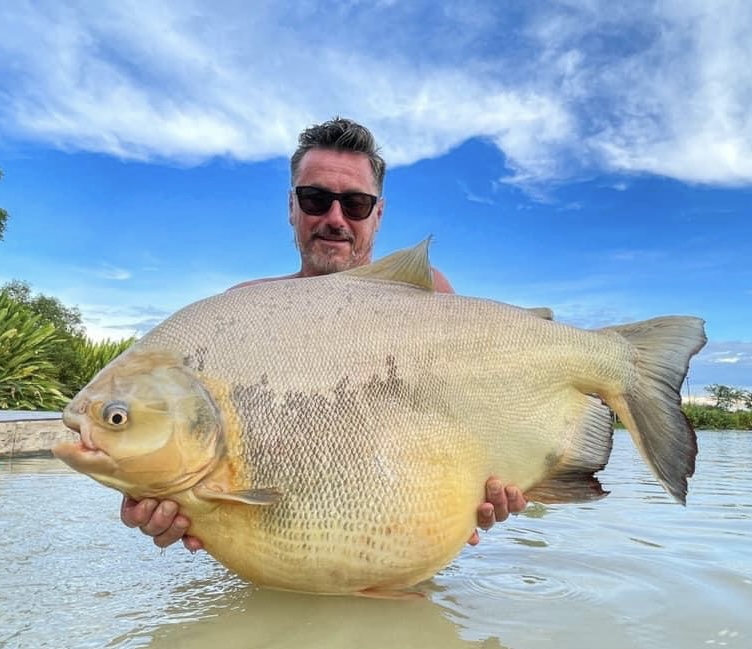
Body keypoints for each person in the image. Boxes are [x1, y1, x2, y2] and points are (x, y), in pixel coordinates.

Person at [121, 117, 527, 552]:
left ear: (379, 213)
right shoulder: (242, 312)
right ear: (292, 206)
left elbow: (466, 415)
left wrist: (496, 482)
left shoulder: (424, 296)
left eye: (355, 204)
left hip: (406, 550)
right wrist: (160, 495)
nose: (335, 218)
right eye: (316, 199)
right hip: (271, 562)